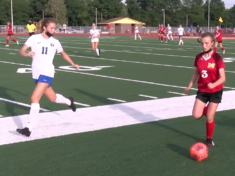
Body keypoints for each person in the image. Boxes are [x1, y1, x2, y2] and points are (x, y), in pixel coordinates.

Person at [16, 18, 80, 137]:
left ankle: (28, 128)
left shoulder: (55, 42)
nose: (53, 30)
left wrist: (72, 64)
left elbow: (63, 54)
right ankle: (68, 101)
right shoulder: (34, 38)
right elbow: (21, 51)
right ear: (44, 27)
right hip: (36, 73)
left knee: (34, 97)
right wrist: (26, 54)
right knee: (52, 98)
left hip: (47, 72)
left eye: (54, 28)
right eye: (51, 28)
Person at [184, 32, 226, 147]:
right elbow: (196, 73)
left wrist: (213, 85)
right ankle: (208, 109)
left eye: (207, 43)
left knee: (209, 117)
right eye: (202, 43)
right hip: (202, 91)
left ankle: (209, 139)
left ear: (212, 43)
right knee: (196, 116)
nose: (204, 46)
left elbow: (223, 78)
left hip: (215, 91)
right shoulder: (198, 57)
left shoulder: (217, 58)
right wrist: (189, 86)